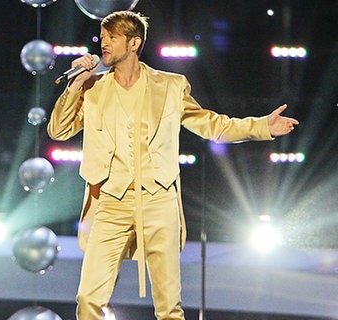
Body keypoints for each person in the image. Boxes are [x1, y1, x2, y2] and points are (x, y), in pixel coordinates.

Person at [47, 10, 299, 320]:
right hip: (110, 201)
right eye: (104, 37)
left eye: (113, 38)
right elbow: (58, 130)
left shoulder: (170, 86)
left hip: (158, 200)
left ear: (134, 43)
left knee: (169, 307)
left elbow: (212, 125)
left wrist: (261, 127)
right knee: (87, 298)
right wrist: (75, 87)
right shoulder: (93, 88)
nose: (104, 44)